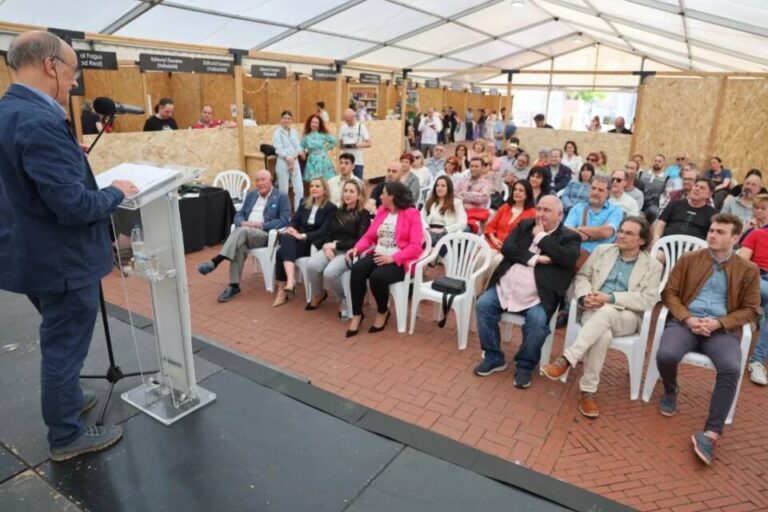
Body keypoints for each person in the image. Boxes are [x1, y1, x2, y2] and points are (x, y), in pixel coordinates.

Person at [0, 31, 140, 460]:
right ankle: (66, 436)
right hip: (61, 260)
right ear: (50, 66)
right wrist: (116, 191)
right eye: (73, 72)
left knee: (60, 343)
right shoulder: (41, 121)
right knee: (63, 348)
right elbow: (75, 206)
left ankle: (68, 402)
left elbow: (22, 176)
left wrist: (69, 157)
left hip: (28, 254)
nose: (74, 82)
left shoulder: (10, 111)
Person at [654, 214, 760, 465]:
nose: (712, 234)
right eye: (712, 230)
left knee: (731, 368)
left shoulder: (748, 269)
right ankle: (670, 390)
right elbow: (670, 293)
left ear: (735, 238)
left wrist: (719, 323)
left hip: (720, 330)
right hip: (686, 323)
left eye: (720, 232)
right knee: (666, 354)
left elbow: (752, 309)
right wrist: (688, 318)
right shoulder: (690, 259)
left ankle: (711, 433)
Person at [541, 217, 662, 417]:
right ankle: (588, 392)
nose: (621, 235)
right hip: (593, 309)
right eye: (621, 230)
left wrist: (611, 298)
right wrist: (583, 297)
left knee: (607, 311)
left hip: (627, 316)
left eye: (628, 233)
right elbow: (582, 277)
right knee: (602, 335)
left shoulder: (652, 266)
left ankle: (567, 358)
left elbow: (648, 300)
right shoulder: (602, 251)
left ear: (641, 241)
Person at [474, 196, 580, 388]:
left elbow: (567, 259)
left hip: (538, 296)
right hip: (505, 288)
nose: (541, 214)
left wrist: (541, 238)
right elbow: (507, 248)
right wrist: (537, 259)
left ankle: (525, 365)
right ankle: (493, 356)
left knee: (538, 323)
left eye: (547, 210)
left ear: (560, 214)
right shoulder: (525, 225)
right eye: (539, 209)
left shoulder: (569, 237)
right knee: (483, 305)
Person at [346, 181, 424, 337]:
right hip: (378, 252)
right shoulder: (382, 211)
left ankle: (382, 311)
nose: (380, 196)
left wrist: (393, 258)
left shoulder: (411, 214)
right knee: (358, 269)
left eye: (383, 193)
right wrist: (357, 248)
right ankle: (357, 314)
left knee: (377, 277)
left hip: (400, 259)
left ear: (392, 196)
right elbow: (369, 236)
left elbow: (416, 246)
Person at [198, 170, 290, 300]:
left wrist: (259, 225)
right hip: (245, 233)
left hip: (264, 235)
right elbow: (239, 214)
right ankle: (234, 285)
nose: (259, 183)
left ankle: (216, 261)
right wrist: (241, 222)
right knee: (239, 245)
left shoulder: (281, 196)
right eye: (257, 180)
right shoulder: (252, 195)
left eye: (263, 179)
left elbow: (284, 220)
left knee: (242, 231)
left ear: (270, 180)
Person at [305, 180, 370, 319]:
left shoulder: (364, 214)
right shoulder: (337, 211)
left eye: (352, 191)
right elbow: (329, 232)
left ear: (359, 196)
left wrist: (336, 246)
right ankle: (320, 293)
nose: (347, 194)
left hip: (348, 252)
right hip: (331, 247)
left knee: (329, 273)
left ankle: (342, 300)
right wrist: (327, 245)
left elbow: (360, 240)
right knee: (311, 266)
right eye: (345, 191)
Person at [272, 178, 337, 307]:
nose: (313, 188)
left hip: (313, 242)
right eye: (312, 186)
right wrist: (290, 227)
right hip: (297, 239)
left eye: (317, 186)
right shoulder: (304, 203)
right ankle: (290, 281)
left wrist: (302, 235)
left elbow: (323, 231)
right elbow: (294, 220)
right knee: (286, 236)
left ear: (324, 190)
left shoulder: (331, 208)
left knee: (281, 252)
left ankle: (283, 289)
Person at [479, 180, 537, 291]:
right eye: (515, 189)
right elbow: (490, 226)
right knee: (482, 257)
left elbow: (527, 238)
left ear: (527, 194)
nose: (517, 192)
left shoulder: (532, 213)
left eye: (521, 190)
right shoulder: (505, 207)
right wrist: (494, 239)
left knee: (497, 262)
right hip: (494, 243)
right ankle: (475, 291)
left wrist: (507, 246)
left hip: (511, 249)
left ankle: (486, 291)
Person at [740, 196, 768, 385]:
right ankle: (757, 361)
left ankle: (757, 361)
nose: (759, 212)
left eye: (763, 208)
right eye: (756, 208)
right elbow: (742, 262)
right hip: (758, 278)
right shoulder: (755, 234)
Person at [564, 175, 624, 254]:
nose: (595, 192)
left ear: (608, 193)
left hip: (601, 257)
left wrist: (578, 228)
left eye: (600, 190)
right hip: (575, 255)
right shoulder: (577, 208)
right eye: (593, 188)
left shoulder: (615, 211)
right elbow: (566, 232)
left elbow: (606, 232)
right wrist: (598, 232)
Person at [651, 178, 716, 247]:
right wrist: (656, 239)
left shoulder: (712, 214)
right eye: (696, 186)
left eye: (702, 188)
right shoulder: (674, 204)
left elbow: (711, 236)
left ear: (709, 194)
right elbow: (661, 224)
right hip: (667, 246)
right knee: (658, 256)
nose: (697, 189)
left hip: (694, 250)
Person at [421, 176, 467, 247]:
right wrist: (427, 229)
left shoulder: (456, 203)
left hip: (447, 232)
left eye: (443, 186)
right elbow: (420, 218)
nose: (439, 188)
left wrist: (444, 230)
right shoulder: (429, 201)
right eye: (437, 185)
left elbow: (462, 223)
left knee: (435, 240)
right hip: (429, 230)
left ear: (448, 188)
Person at [272, 110, 303, 211]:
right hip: (283, 162)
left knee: (299, 189)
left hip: (294, 162)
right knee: (284, 190)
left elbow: (298, 146)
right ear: (281, 120)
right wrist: (287, 158)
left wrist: (295, 156)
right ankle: (285, 213)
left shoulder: (294, 131)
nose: (287, 120)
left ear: (291, 120)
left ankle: (298, 212)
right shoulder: (277, 132)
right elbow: (278, 148)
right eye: (285, 118)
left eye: (289, 118)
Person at [455, 157, 492, 233]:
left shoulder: (486, 183)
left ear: (482, 168)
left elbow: (481, 198)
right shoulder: (463, 180)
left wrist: (463, 194)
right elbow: (455, 194)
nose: (473, 168)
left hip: (474, 215)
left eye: (476, 166)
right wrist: (472, 196)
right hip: (458, 213)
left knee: (462, 230)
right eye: (471, 166)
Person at [300, 114, 337, 182]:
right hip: (312, 160)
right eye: (313, 122)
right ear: (309, 123)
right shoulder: (306, 136)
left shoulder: (323, 134)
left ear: (319, 124)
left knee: (325, 181)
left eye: (317, 123)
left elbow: (334, 141)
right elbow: (301, 146)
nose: (314, 124)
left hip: (323, 160)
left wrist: (326, 148)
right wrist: (302, 152)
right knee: (313, 181)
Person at [338, 108, 371, 180]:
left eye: (349, 120)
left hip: (358, 161)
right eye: (346, 120)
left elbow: (369, 143)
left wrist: (357, 145)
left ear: (354, 117)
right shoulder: (342, 128)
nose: (348, 122)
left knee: (358, 182)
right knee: (345, 181)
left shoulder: (361, 127)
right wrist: (342, 145)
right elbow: (340, 143)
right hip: (346, 160)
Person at [637, 154, 668, 223]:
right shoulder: (641, 174)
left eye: (659, 161)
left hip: (653, 205)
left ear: (663, 164)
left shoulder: (666, 178)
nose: (657, 163)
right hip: (639, 201)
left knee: (654, 212)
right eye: (655, 160)